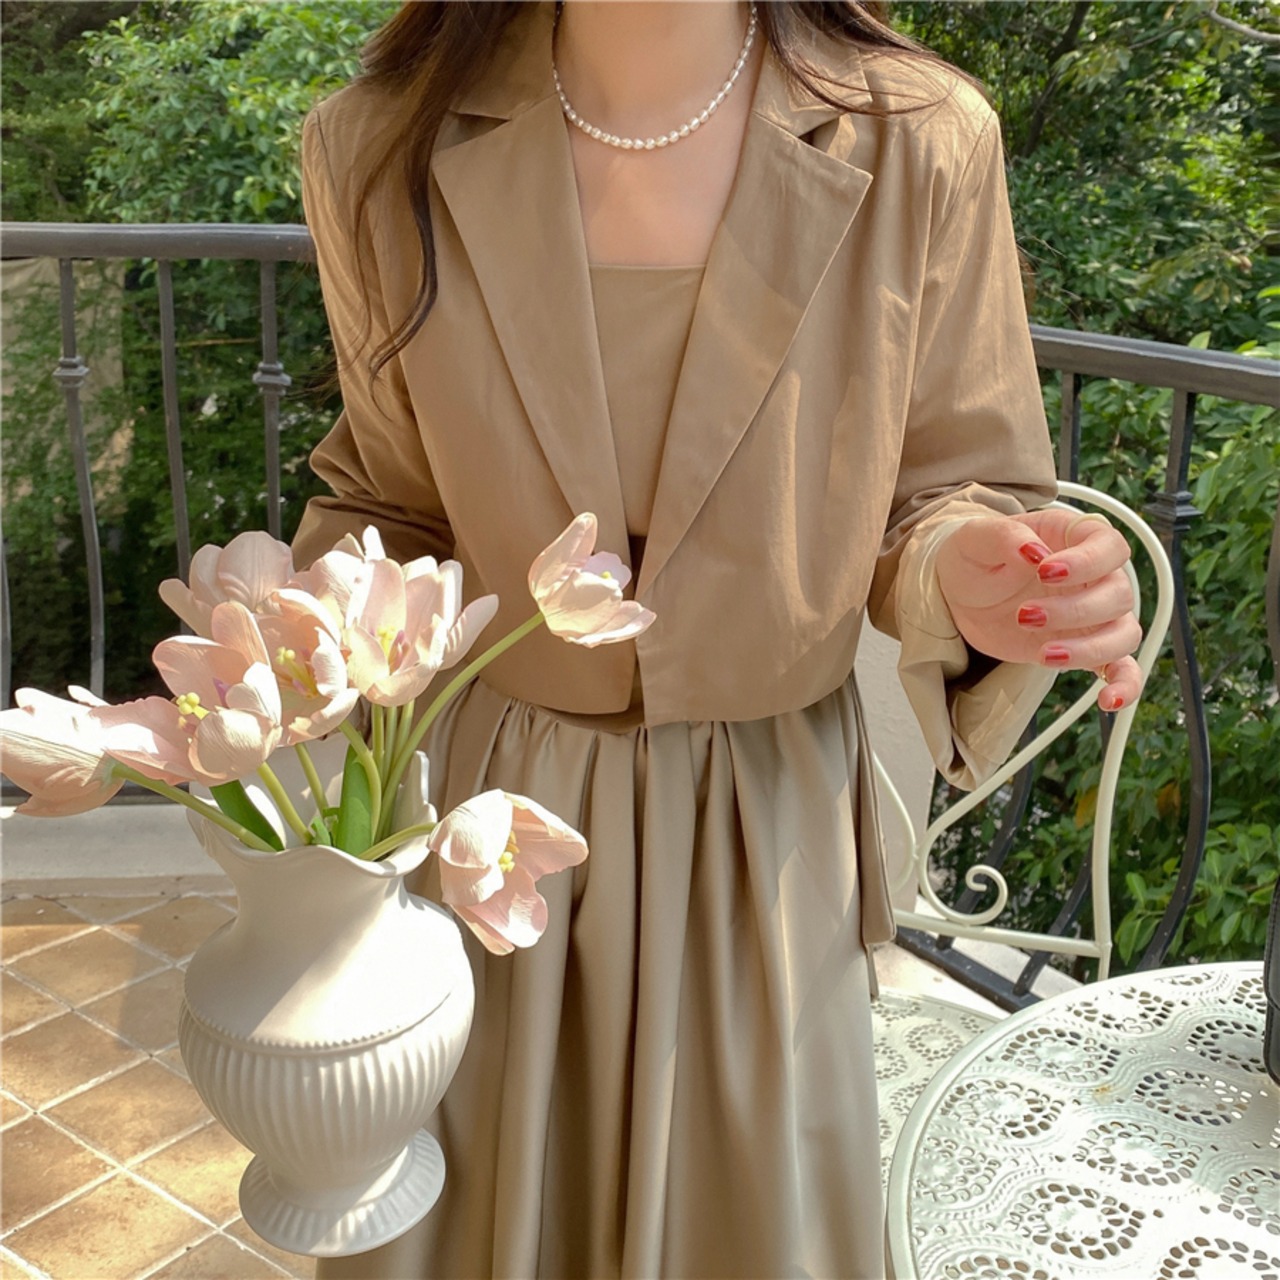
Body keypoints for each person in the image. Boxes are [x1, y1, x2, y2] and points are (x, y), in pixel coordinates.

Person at [291, 3, 1143, 1276]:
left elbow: (952, 486)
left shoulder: (921, 138)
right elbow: (389, 498)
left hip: (762, 838)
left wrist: (969, 571)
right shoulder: (376, 144)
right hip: (485, 829)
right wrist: (292, 640)